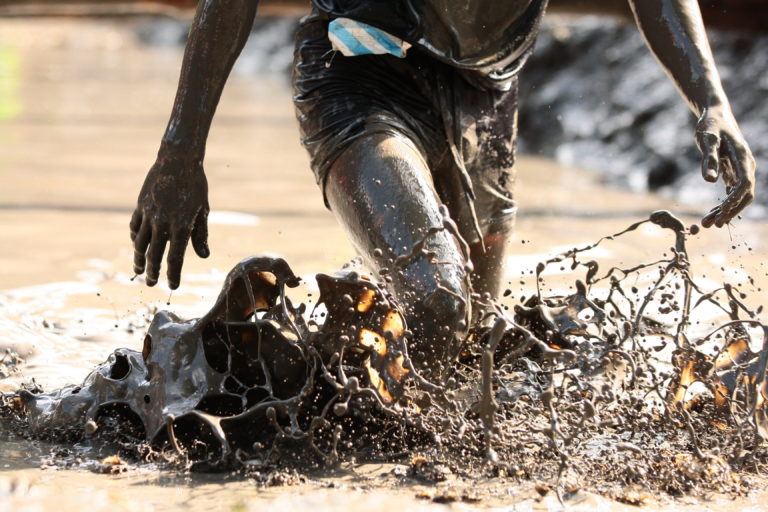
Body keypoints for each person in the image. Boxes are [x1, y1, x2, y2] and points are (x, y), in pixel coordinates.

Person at [129, 0, 756, 372]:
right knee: (437, 302)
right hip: (363, 67)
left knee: (469, 352)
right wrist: (181, 149)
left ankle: (345, 395)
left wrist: (711, 101)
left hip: (486, 97)